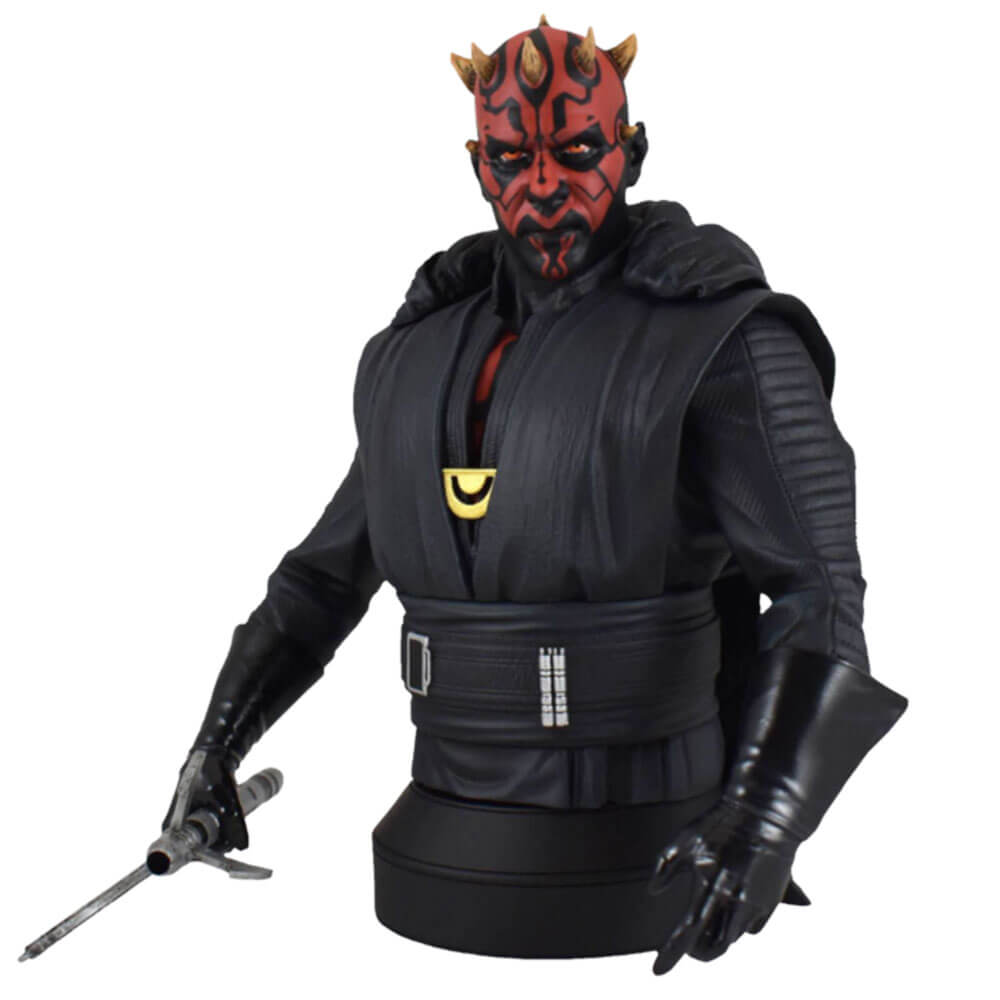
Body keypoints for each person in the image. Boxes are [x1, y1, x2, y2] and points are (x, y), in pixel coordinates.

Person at [163, 18, 907, 974]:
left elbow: (821, 590)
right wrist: (213, 748)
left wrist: (764, 819)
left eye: (579, 151)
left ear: (632, 152)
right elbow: (321, 583)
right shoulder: (413, 356)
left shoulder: (724, 339)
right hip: (434, 845)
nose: (546, 185)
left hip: (651, 839)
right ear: (479, 165)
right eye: (514, 158)